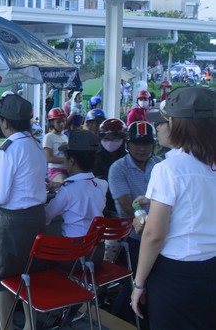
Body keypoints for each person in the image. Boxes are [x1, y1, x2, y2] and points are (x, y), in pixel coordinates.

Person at [131, 87, 216, 330]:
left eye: (166, 121)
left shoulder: (169, 169)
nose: (159, 127)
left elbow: (154, 235)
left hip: (178, 275)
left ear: (180, 125)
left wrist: (138, 284)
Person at [0, 94, 46, 330]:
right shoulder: (37, 146)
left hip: (13, 223)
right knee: (30, 277)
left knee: (3, 280)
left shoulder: (6, 150)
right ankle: (30, 325)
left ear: (5, 122)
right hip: (38, 218)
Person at [107, 120, 161, 327]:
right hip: (135, 235)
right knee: (138, 282)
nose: (142, 148)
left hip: (161, 233)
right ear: (128, 144)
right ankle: (120, 320)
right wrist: (148, 220)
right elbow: (126, 205)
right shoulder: (118, 168)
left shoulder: (160, 164)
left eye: (147, 143)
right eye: (137, 143)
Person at [45, 130, 107, 253]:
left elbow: (47, 215)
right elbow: (83, 189)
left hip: (74, 253)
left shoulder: (68, 189)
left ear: (72, 161)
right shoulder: (103, 185)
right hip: (97, 251)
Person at [43, 107, 68, 185]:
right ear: (52, 123)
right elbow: (48, 158)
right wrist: (65, 160)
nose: (62, 124)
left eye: (63, 121)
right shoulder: (48, 137)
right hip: (55, 170)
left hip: (67, 169)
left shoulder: (65, 137)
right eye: (58, 122)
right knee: (63, 184)